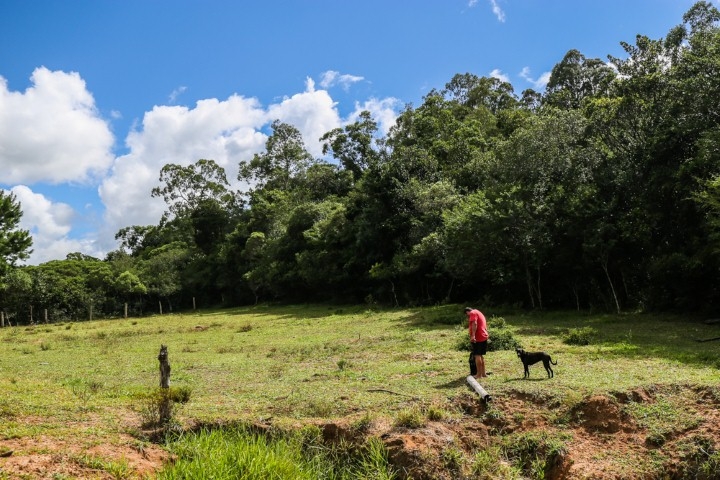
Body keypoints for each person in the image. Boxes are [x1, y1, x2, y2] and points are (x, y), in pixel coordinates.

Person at [465, 306, 489, 379]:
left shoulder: (472, 313)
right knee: (480, 355)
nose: (468, 317)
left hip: (478, 337)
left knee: (477, 355)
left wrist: (473, 336)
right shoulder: (479, 312)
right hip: (483, 336)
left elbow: (474, 323)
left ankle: (478, 375)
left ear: (467, 312)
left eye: (467, 315)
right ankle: (483, 373)